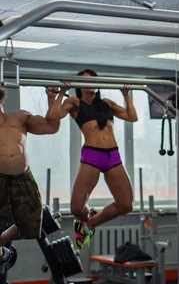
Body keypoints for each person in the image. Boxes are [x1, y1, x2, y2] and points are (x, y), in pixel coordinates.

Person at [48, 70, 138, 249]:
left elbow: (132, 116)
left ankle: (90, 223)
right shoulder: (74, 103)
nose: (92, 83)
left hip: (113, 156)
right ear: (79, 86)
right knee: (76, 208)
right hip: (92, 156)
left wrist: (126, 94)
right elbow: (54, 116)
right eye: (86, 81)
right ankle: (87, 217)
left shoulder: (106, 104)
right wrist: (59, 93)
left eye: (94, 80)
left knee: (126, 204)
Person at [0, 87, 61, 260]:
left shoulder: (20, 117)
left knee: (31, 225)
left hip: (22, 177)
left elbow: (51, 126)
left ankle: (1, 241)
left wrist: (51, 98)